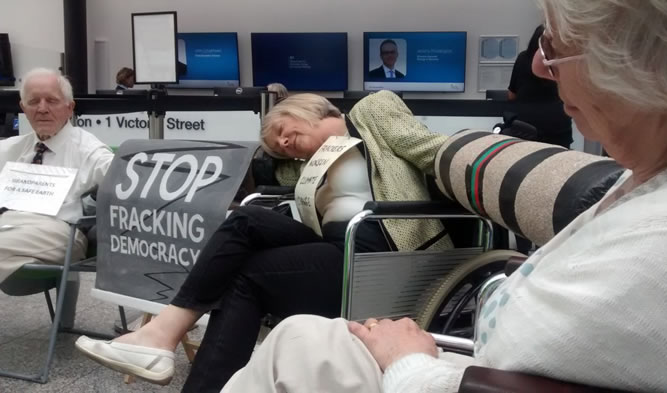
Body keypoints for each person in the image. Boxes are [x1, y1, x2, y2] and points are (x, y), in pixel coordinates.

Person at [220, 1, 667, 392]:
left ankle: (168, 335)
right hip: (430, 330)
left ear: (640, 57)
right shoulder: (653, 184)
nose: (537, 66)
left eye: (552, 46)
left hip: (391, 265)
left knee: (290, 333)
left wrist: (408, 363)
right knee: (279, 303)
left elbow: (426, 148)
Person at [76, 90, 454, 391]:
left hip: (387, 248)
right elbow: (267, 168)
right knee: (244, 221)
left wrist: (489, 169)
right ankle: (160, 337)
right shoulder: (304, 163)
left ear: (309, 108)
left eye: (285, 130)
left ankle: (161, 338)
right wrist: (277, 154)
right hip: (335, 246)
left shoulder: (373, 112)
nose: (285, 142)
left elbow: (429, 148)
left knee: (247, 275)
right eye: (278, 143)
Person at [0, 68, 114, 283]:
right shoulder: (9, 149)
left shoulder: (89, 150)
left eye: (51, 101)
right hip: (8, 227)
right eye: (33, 102)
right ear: (23, 108)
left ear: (69, 107)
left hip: (59, 231)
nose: (42, 109)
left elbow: (121, 177)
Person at [507, 25, 572, 148]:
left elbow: (511, 95)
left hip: (524, 127)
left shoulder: (522, 58)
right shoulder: (562, 63)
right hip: (558, 127)